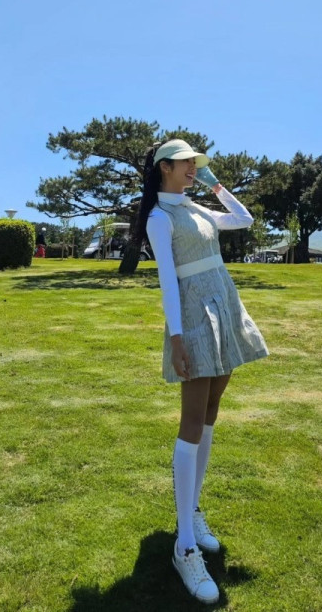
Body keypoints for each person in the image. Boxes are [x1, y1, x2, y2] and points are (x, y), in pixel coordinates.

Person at [135, 138, 269, 604]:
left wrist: (216, 187)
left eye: (196, 163)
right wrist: (176, 338)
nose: (193, 168)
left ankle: (192, 512)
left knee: (211, 411)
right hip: (193, 316)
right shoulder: (159, 217)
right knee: (191, 422)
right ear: (165, 168)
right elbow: (167, 281)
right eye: (187, 164)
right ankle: (185, 547)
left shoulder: (197, 207)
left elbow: (244, 219)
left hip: (224, 305)